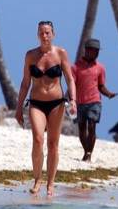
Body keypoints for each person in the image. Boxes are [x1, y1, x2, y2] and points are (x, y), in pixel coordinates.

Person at [15, 21, 77, 197]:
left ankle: (50, 184)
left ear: (53, 34)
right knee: (37, 139)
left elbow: (70, 79)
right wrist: (19, 108)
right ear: (37, 35)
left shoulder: (61, 54)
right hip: (36, 103)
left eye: (48, 33)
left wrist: (73, 100)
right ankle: (37, 180)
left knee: (53, 144)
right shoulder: (30, 56)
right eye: (41, 33)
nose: (45, 36)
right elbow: (25, 83)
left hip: (57, 104)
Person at [72, 37, 118, 162]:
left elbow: (101, 86)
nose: (96, 53)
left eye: (98, 51)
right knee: (82, 129)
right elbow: (72, 85)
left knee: (92, 126)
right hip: (80, 102)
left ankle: (88, 154)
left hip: (95, 101)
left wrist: (108, 94)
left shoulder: (100, 68)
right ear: (87, 50)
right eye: (94, 51)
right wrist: (70, 99)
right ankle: (86, 150)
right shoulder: (76, 67)